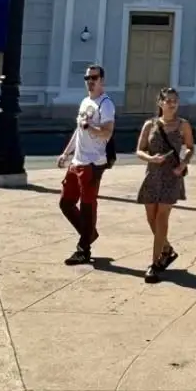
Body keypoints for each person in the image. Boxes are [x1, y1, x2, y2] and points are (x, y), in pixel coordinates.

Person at [57, 64, 115, 266]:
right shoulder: (84, 102)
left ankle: (84, 249)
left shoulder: (105, 104)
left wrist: (91, 127)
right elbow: (78, 131)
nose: (90, 81)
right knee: (66, 203)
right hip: (77, 161)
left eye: (94, 78)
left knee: (87, 205)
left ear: (102, 80)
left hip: (93, 163)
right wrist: (66, 153)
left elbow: (108, 132)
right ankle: (89, 233)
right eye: (87, 78)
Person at [135, 87, 194, 282]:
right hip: (152, 175)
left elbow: (190, 148)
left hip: (171, 176)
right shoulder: (149, 125)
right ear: (160, 103)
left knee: (161, 218)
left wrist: (183, 164)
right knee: (151, 217)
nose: (172, 103)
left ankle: (155, 263)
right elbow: (139, 151)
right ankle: (167, 249)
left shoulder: (183, 125)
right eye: (168, 100)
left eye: (174, 100)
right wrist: (151, 158)